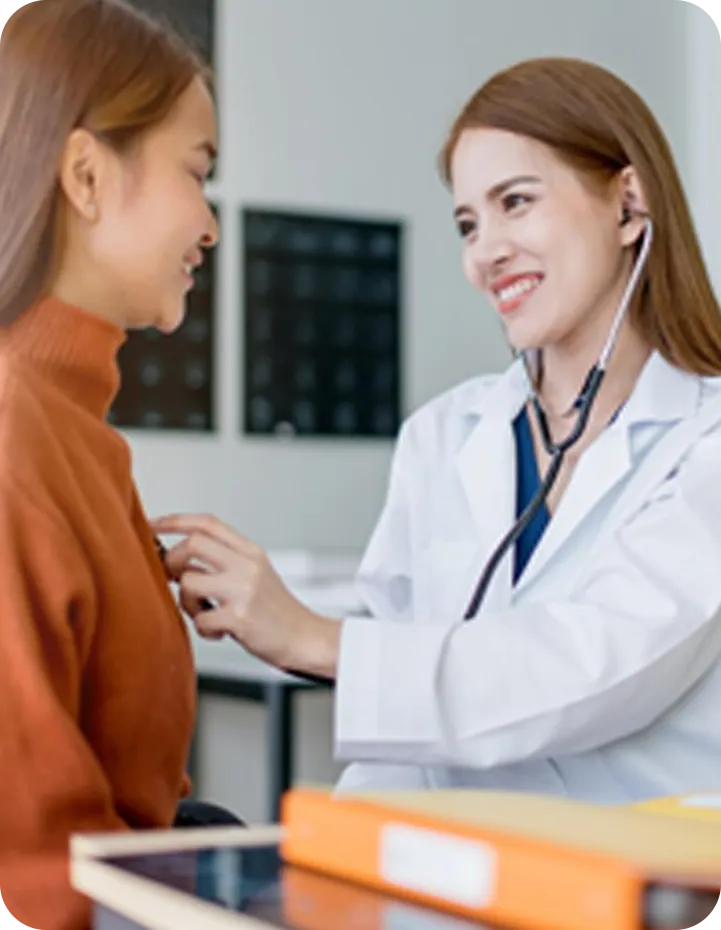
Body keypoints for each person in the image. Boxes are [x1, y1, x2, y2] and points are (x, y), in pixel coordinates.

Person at [154, 57, 721, 805]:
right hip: (455, 864)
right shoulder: (444, 436)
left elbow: (594, 668)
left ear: (628, 204)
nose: (485, 252)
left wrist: (313, 637)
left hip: (644, 872)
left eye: (515, 202)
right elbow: (406, 740)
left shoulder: (704, 440)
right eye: (467, 224)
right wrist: (342, 853)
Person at [0, 1, 219, 927]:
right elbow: (27, 876)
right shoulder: (14, 433)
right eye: (197, 172)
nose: (210, 224)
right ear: (87, 176)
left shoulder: (76, 427)